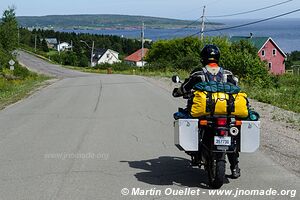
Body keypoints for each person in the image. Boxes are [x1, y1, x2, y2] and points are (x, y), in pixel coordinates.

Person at [173, 44, 241, 179]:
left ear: (203, 58)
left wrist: (177, 92)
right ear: (218, 58)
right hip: (226, 113)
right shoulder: (228, 74)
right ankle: (234, 167)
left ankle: (196, 153)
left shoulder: (198, 73)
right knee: (231, 137)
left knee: (193, 125)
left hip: (205, 113)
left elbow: (185, 88)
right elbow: (236, 89)